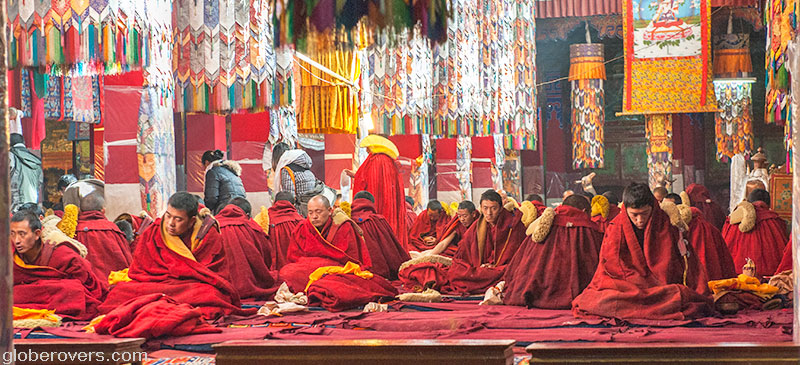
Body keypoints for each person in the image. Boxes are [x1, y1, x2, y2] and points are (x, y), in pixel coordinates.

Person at [100, 192, 251, 319]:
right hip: (157, 283)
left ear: (192, 221)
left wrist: (182, 275)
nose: (170, 223)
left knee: (211, 294)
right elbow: (138, 270)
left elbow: (216, 273)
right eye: (168, 216)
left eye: (178, 219)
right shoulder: (155, 231)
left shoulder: (206, 235)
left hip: (190, 286)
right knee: (119, 292)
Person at [572, 183, 711, 320]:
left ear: (653, 207)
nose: (640, 220)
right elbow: (611, 269)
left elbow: (676, 267)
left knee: (680, 294)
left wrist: (650, 286)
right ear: (625, 210)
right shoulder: (615, 227)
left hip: (660, 286)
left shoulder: (666, 225)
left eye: (644, 214)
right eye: (634, 215)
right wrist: (635, 285)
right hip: (626, 287)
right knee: (600, 300)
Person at [504, 195, 603, 309]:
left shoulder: (544, 224)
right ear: (584, 211)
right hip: (578, 294)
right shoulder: (589, 228)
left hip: (536, 289)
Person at [12, 211, 107, 320]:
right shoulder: (13, 257)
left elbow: (89, 286)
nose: (16, 240)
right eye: (12, 234)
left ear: (37, 234)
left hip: (63, 296)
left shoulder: (62, 254)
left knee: (69, 289)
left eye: (22, 234)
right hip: (34, 296)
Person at [278, 195, 373, 293]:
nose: (314, 216)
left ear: (330, 210)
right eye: (310, 212)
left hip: (335, 269)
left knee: (341, 280)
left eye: (318, 212)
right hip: (307, 268)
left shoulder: (342, 226)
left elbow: (352, 259)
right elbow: (293, 257)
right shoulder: (302, 227)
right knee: (286, 273)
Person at [444, 190, 528, 294]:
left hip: (502, 268)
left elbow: (520, 256)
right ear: (480, 208)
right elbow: (463, 253)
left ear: (501, 208)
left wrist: (494, 265)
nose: (489, 213)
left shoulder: (513, 225)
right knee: (455, 271)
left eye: (494, 208)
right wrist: (480, 265)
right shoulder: (478, 226)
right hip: (481, 268)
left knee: (514, 273)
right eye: (485, 208)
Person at [62, 179, 133, 281]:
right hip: (113, 288)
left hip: (85, 289)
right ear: (102, 209)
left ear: (78, 209)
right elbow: (127, 265)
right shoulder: (113, 229)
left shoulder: (72, 232)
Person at [350, 135, 409, 250]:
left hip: (377, 202)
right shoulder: (389, 160)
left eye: (368, 147)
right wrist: (355, 176)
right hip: (389, 201)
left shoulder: (375, 160)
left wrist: (356, 177)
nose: (367, 150)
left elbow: (366, 180)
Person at [215, 197, 277, 300]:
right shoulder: (251, 227)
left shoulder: (212, 226)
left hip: (220, 287)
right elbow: (266, 255)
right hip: (248, 284)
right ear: (247, 215)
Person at [722, 189, 789, 278]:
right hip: (770, 276)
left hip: (734, 275)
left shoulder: (733, 220)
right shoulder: (776, 220)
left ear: (748, 201)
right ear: (769, 204)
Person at [350, 191, 410, 279]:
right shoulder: (378, 220)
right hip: (378, 274)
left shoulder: (346, 220)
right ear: (372, 204)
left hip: (350, 272)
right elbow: (391, 249)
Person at [271, 142, 321, 216]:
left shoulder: (286, 170)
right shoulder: (305, 167)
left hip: (299, 214)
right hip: (312, 210)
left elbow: (288, 199)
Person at [267, 191, 305, 269]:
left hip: (275, 270)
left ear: (274, 202)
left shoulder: (266, 220)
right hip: (296, 269)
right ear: (293, 204)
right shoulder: (301, 222)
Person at [9, 133, 43, 212]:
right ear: (23, 142)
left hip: (14, 208)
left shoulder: (10, 156)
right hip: (32, 207)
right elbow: (39, 184)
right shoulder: (35, 160)